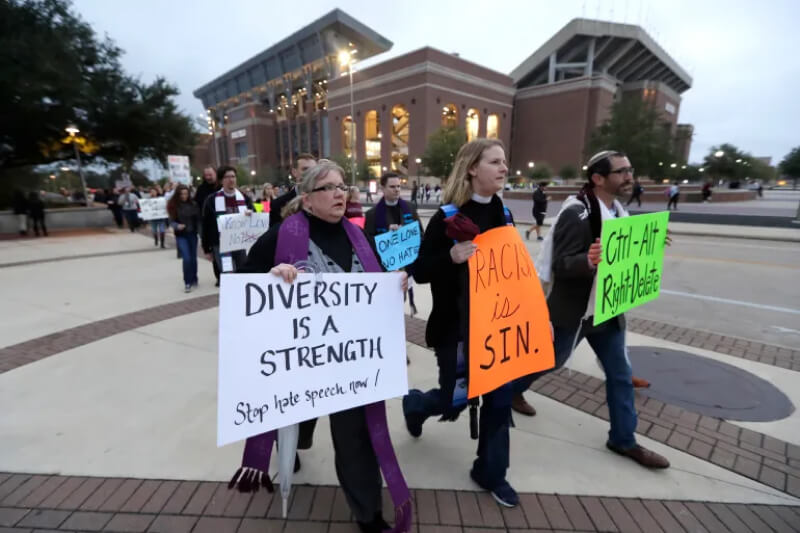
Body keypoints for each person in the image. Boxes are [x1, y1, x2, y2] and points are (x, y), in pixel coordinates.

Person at [237, 161, 412, 533]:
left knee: (356, 440)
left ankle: (368, 514)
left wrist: (395, 284)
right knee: (299, 415)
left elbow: (376, 286)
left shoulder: (358, 236)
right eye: (329, 187)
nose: (340, 193)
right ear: (307, 199)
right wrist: (271, 278)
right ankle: (297, 432)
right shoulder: (283, 235)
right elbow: (243, 287)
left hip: (350, 365)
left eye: (342, 186)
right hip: (302, 364)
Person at [530, 150, 670, 469]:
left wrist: (651, 244)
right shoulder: (577, 213)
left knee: (619, 374)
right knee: (549, 361)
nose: (629, 177)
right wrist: (588, 261)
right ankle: (508, 392)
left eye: (629, 170)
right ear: (598, 178)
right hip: (574, 311)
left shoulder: (620, 213)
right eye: (621, 172)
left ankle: (624, 440)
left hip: (607, 310)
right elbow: (560, 265)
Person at [402, 138, 522, 508]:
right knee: (456, 400)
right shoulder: (447, 217)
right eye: (495, 162)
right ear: (472, 168)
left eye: (504, 161)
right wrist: (451, 256)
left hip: (497, 329)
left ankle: (491, 473)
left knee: (500, 402)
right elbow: (420, 271)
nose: (504, 168)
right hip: (456, 330)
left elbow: (514, 273)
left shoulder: (503, 214)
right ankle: (417, 405)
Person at [364, 172, 422, 316]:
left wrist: (406, 233)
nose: (397, 189)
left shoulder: (410, 207)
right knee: (386, 308)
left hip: (406, 265)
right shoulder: (372, 214)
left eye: (398, 186)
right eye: (392, 187)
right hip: (385, 268)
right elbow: (367, 243)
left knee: (400, 302)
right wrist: (387, 236)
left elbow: (421, 234)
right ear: (382, 188)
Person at [200, 166, 255, 278]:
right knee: (228, 275)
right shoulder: (212, 200)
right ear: (221, 180)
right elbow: (205, 225)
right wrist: (206, 249)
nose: (231, 180)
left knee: (243, 273)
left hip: (241, 243)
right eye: (227, 177)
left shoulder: (244, 198)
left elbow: (255, 217)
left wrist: (251, 214)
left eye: (233, 176)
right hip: (220, 245)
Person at [269, 153, 317, 228]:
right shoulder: (278, 204)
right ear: (294, 172)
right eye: (305, 169)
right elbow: (273, 237)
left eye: (313, 170)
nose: (310, 173)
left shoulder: (324, 200)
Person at [167, 184, 200, 292]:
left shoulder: (193, 204)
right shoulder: (173, 206)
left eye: (186, 193)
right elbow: (171, 221)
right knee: (186, 258)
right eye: (181, 194)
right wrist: (177, 226)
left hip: (192, 234)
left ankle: (194, 277)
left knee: (194, 258)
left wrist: (200, 232)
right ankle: (187, 282)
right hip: (181, 235)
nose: (184, 196)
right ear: (178, 194)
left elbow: (198, 220)